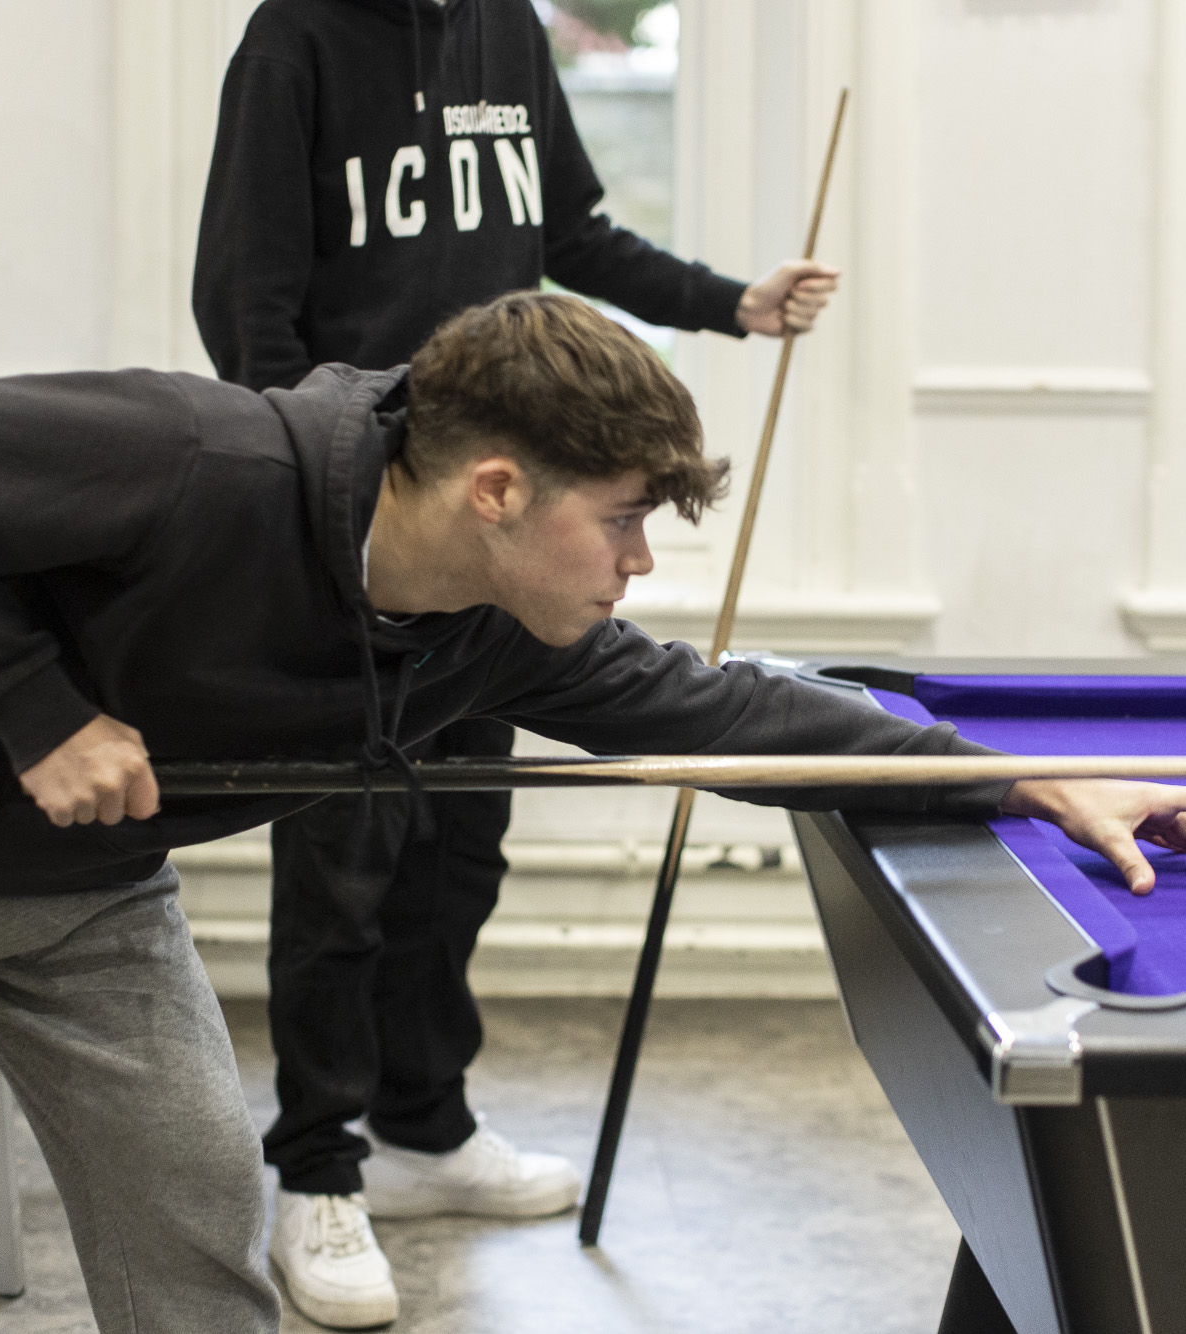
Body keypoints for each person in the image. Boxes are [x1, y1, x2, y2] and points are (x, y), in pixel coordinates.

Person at [0, 293, 1186, 1334]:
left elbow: (718, 708)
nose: (641, 563)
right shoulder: (201, 460)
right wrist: (39, 711)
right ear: (499, 489)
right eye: (625, 520)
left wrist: (1004, 774)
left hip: (80, 866)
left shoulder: (499, 624)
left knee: (191, 1197)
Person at [191, 2, 838, 1321]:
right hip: (369, 531)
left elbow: (569, 235)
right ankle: (317, 1167)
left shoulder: (501, 26)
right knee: (344, 871)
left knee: (458, 851)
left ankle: (426, 1129)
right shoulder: (295, 40)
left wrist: (730, 303)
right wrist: (315, 499)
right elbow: (244, 306)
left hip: (504, 526)